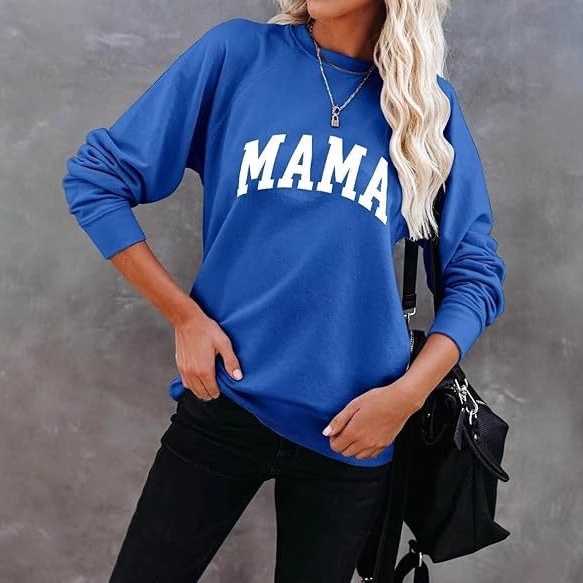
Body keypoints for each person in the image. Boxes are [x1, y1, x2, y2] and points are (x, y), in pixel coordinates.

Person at [62, 0, 506, 581]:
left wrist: (406, 398)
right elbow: (96, 178)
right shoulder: (238, 56)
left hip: (356, 430)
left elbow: (475, 273)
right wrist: (184, 317)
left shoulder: (425, 108)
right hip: (228, 397)